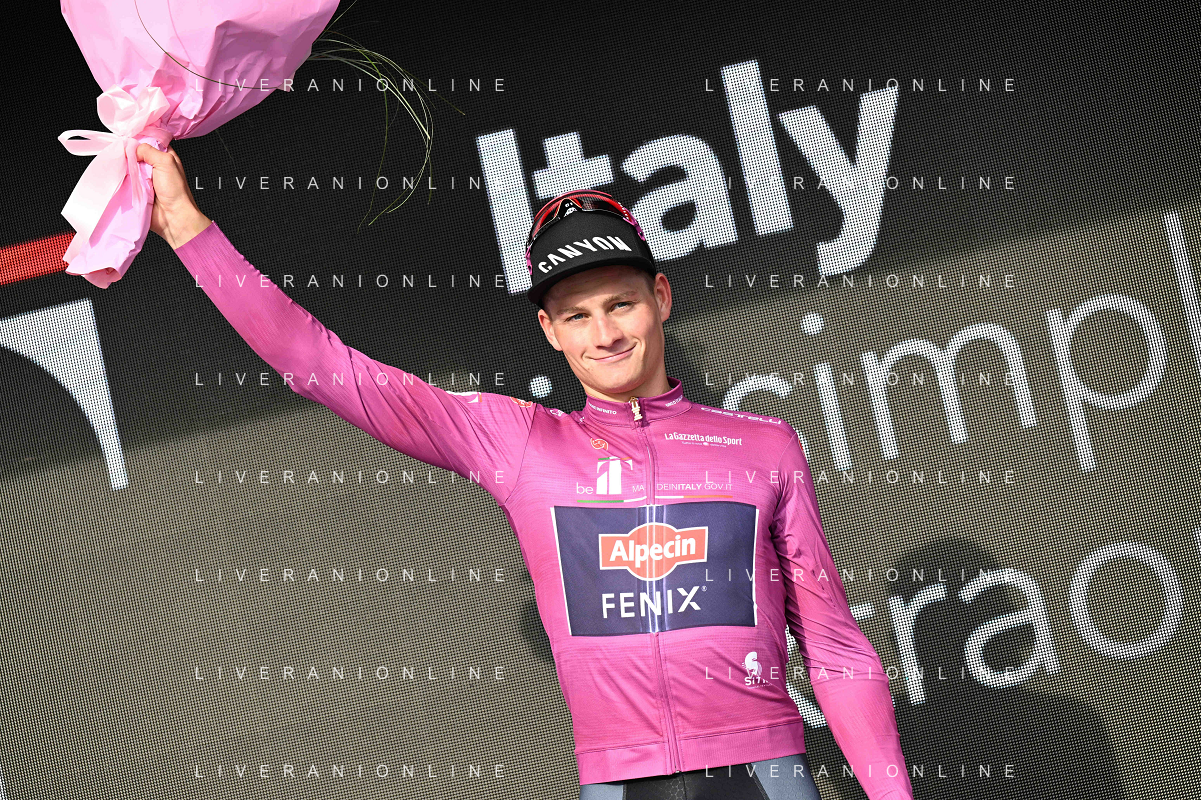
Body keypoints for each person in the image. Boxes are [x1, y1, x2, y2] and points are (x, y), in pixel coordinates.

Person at [136, 143, 915, 800]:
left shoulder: (763, 445)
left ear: (660, 297)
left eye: (620, 304)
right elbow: (321, 364)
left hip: (765, 777)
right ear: (549, 329)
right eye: (577, 315)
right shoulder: (518, 441)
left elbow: (836, 649)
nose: (604, 334)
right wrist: (190, 231)